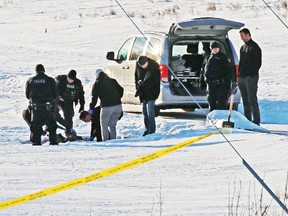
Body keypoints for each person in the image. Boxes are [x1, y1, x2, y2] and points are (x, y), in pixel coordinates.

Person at [25, 64, 58, 145]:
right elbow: (55, 94)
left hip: (36, 108)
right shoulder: (50, 80)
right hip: (48, 107)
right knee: (51, 125)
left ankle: (36, 142)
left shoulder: (30, 80)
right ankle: (53, 142)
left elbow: (27, 94)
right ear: (44, 70)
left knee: (36, 126)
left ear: (36, 71)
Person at [89, 69, 123, 141]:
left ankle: (106, 141)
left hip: (106, 107)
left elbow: (94, 98)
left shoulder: (96, 84)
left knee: (104, 126)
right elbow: (121, 90)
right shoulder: (113, 80)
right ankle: (114, 140)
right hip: (118, 106)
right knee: (112, 125)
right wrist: (117, 99)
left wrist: (90, 109)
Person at [238, 28, 262, 125]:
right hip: (242, 77)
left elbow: (258, 64)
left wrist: (251, 75)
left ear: (248, 35)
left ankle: (256, 121)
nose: (241, 38)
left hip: (251, 77)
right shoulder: (242, 47)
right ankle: (247, 120)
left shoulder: (254, 47)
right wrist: (239, 75)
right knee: (245, 100)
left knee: (252, 100)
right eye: (240, 36)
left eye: (242, 36)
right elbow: (241, 63)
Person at [135, 55, 160, 136]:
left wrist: (145, 82)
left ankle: (152, 130)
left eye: (143, 65)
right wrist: (138, 87)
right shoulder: (138, 66)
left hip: (152, 92)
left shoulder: (154, 66)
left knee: (150, 112)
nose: (142, 67)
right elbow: (136, 77)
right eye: (141, 65)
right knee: (145, 113)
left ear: (147, 62)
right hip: (143, 93)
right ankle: (147, 129)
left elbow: (156, 82)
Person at [204, 42, 232, 112]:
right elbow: (204, 70)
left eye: (216, 48)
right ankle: (212, 116)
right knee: (211, 101)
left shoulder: (223, 57)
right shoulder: (208, 57)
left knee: (221, 102)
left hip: (221, 84)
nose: (215, 50)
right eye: (214, 48)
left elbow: (228, 70)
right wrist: (204, 80)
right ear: (211, 49)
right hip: (211, 84)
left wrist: (227, 82)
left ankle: (221, 117)